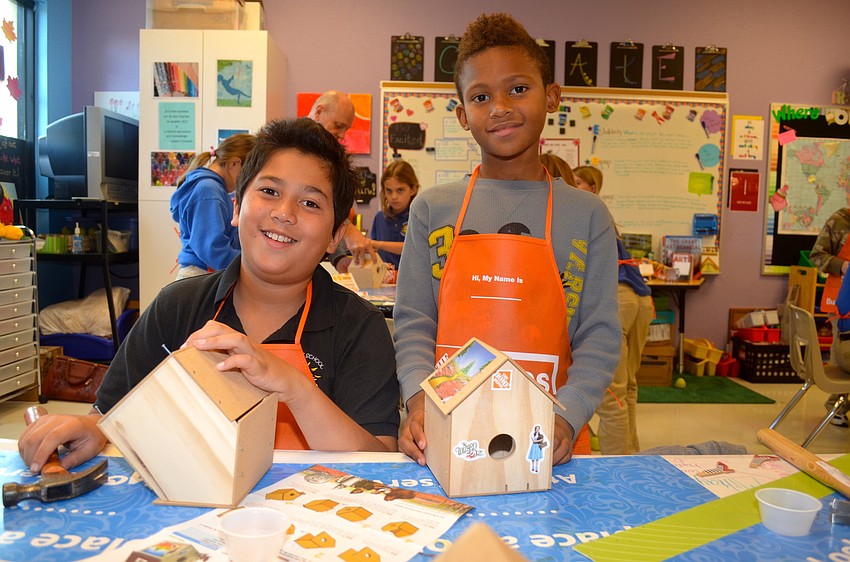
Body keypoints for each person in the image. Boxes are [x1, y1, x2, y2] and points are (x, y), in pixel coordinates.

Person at [18, 118, 400, 473]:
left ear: (335, 235)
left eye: (310, 202)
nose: (284, 213)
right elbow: (110, 414)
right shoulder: (176, 307)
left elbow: (377, 460)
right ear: (235, 207)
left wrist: (296, 389)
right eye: (269, 191)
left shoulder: (360, 327)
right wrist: (89, 427)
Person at [393, 12, 620, 467]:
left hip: (550, 432)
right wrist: (419, 400)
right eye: (481, 96)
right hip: (448, 426)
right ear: (462, 115)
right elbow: (414, 320)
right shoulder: (433, 208)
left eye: (518, 88)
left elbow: (598, 336)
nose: (499, 107)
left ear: (552, 96)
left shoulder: (587, 214)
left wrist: (567, 415)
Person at [573, 165, 654, 455]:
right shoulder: (602, 214)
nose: (573, 186)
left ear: (593, 187)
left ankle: (617, 468)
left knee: (611, 396)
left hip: (619, 299)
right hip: (638, 297)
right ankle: (632, 456)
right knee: (628, 388)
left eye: (578, 181)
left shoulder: (583, 211)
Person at [308, 89, 378, 268]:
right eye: (338, 125)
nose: (342, 135)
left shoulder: (326, 154)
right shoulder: (293, 148)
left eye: (346, 129)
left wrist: (339, 259)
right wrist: (348, 229)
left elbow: (325, 213)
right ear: (318, 112)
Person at [170, 133, 255, 280]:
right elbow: (212, 250)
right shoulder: (209, 191)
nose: (248, 182)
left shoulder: (214, 189)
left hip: (205, 274)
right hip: (201, 276)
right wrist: (252, 266)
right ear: (234, 164)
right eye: (248, 175)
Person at [810, 207, 850, 427]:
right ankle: (837, 405)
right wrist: (842, 266)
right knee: (843, 350)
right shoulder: (839, 222)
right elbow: (817, 256)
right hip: (842, 300)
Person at [369, 160, 419, 269]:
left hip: (412, 280)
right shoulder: (380, 217)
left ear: (413, 189)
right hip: (385, 280)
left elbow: (413, 248)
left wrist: (378, 244)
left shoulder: (419, 217)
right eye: (389, 191)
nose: (394, 196)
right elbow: (374, 252)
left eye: (400, 190)